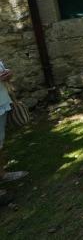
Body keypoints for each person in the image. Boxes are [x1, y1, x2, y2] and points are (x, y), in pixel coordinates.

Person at [0, 60, 28, 197]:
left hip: (2, 102)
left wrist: (8, 74)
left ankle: (2, 174)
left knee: (0, 143)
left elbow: (3, 70)